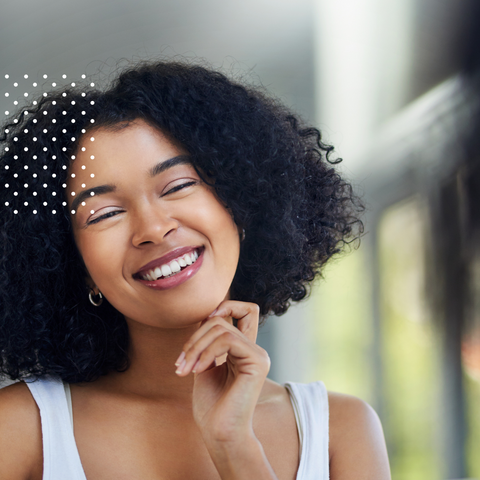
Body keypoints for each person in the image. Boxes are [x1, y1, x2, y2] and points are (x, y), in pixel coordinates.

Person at [0, 60, 390, 479]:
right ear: (75, 264)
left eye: (178, 186)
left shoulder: (339, 431)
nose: (153, 228)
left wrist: (234, 445)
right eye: (104, 213)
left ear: (240, 202)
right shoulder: (22, 429)